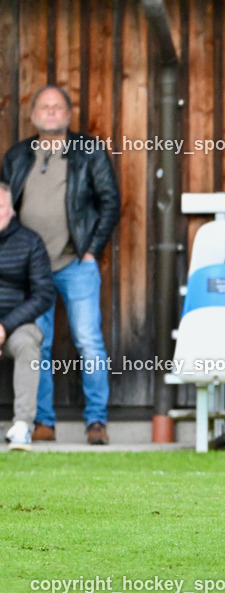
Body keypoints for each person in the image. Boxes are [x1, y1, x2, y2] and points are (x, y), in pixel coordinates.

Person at [0, 85, 120, 445]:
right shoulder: (18, 156)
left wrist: (91, 250)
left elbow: (110, 202)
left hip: (75, 263)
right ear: (34, 114)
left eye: (57, 107)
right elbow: (4, 205)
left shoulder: (88, 152)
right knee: (41, 343)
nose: (50, 112)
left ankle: (96, 422)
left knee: (89, 341)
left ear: (68, 115)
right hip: (31, 269)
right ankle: (43, 422)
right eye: (43, 107)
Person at [0, 183, 55, 450]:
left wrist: (4, 327)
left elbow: (43, 294)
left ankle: (22, 426)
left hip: (15, 326)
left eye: (0, 206)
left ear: (11, 209)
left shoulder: (30, 242)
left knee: (27, 344)